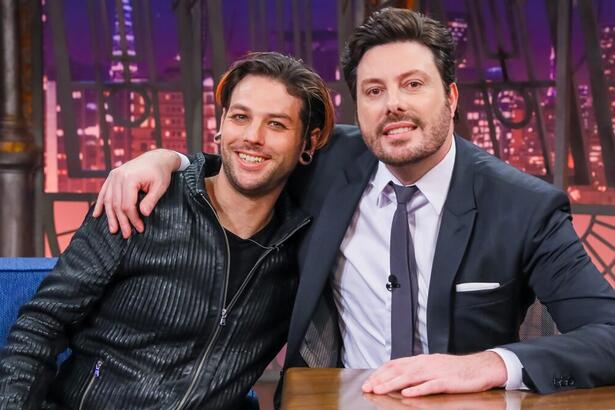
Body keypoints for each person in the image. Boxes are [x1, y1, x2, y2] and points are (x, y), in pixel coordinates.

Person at [93, 8, 615, 399]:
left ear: (451, 98)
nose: (394, 104)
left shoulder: (522, 207)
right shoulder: (327, 162)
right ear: (357, 106)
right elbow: (248, 155)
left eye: (413, 84)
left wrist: (490, 364)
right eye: (373, 90)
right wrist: (163, 159)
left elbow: (608, 335)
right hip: (329, 402)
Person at [0, 52, 335, 409]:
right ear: (221, 125)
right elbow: (40, 326)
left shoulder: (303, 250)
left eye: (276, 125)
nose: (253, 136)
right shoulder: (143, 202)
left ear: (308, 144)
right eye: (241, 117)